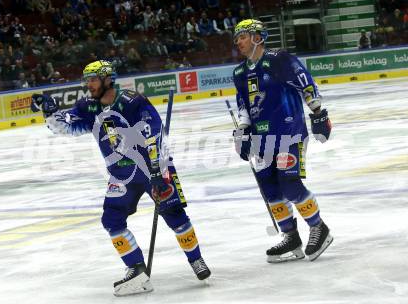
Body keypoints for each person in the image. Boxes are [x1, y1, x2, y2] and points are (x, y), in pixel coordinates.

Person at [31, 60, 210, 296]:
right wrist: (49, 110)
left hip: (151, 168)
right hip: (121, 175)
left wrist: (157, 172)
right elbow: (64, 127)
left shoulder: (132, 101)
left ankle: (196, 260)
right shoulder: (88, 107)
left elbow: (155, 135)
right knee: (112, 221)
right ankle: (136, 268)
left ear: (107, 79)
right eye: (87, 80)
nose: (89, 84)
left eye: (93, 79)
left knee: (174, 215)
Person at [231, 19, 333, 263]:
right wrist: (243, 130)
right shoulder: (239, 72)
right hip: (261, 138)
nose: (238, 42)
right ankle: (291, 237)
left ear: (257, 37)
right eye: (237, 38)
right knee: (270, 188)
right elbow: (243, 104)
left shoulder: (279, 59)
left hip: (289, 132)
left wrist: (318, 112)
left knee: (290, 183)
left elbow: (305, 82)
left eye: (243, 36)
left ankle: (320, 228)